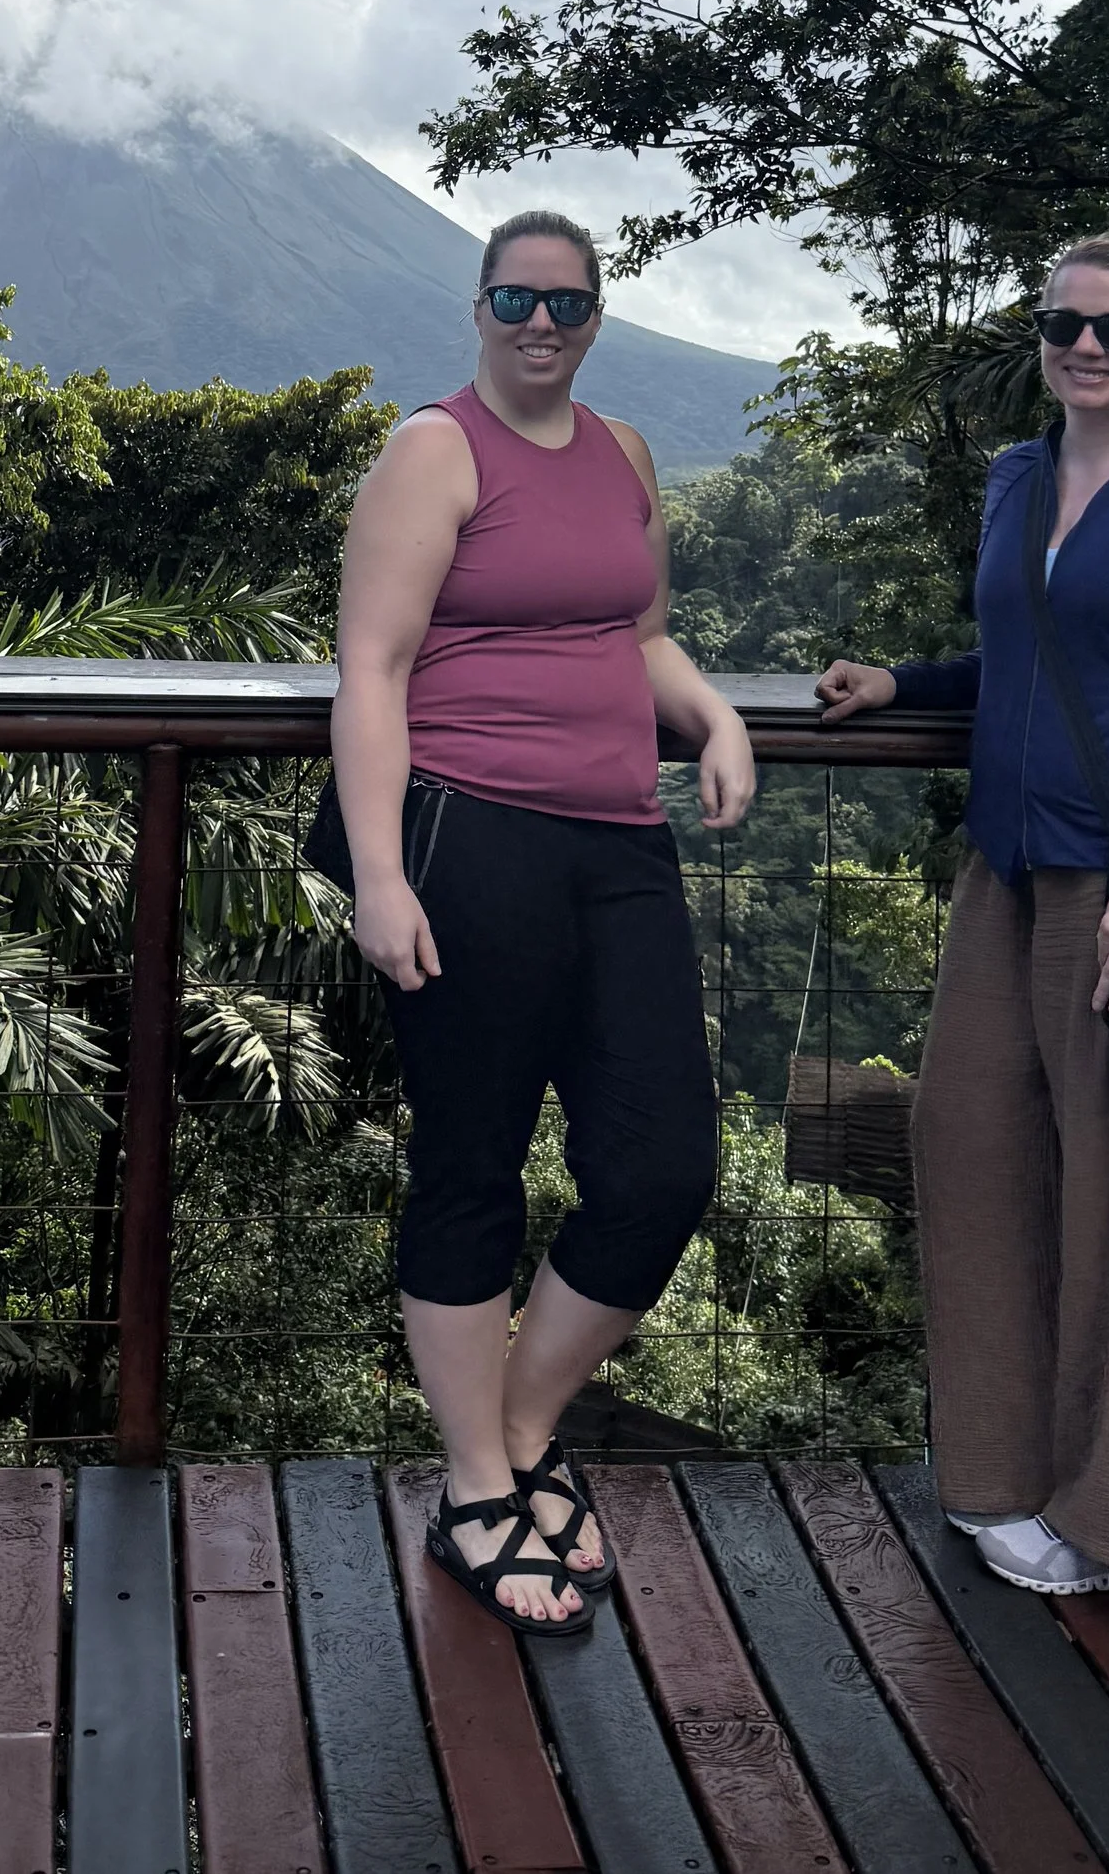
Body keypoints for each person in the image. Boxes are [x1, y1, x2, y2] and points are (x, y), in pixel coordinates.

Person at [817, 229, 1109, 1593]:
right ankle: (999, 1480)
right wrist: (905, 687)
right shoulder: (1020, 479)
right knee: (964, 1136)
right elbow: (1034, 651)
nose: (1085, 349)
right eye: (1062, 325)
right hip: (1018, 861)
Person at [326, 209, 755, 1629]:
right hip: (470, 838)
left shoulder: (625, 454)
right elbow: (374, 673)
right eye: (516, 298)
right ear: (478, 305)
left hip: (619, 843)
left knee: (660, 1165)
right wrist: (383, 875)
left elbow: (634, 634)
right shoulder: (433, 453)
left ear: (596, 316)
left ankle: (516, 1434)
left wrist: (711, 715)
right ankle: (473, 1489)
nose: (541, 325)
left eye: (567, 305)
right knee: (474, 1165)